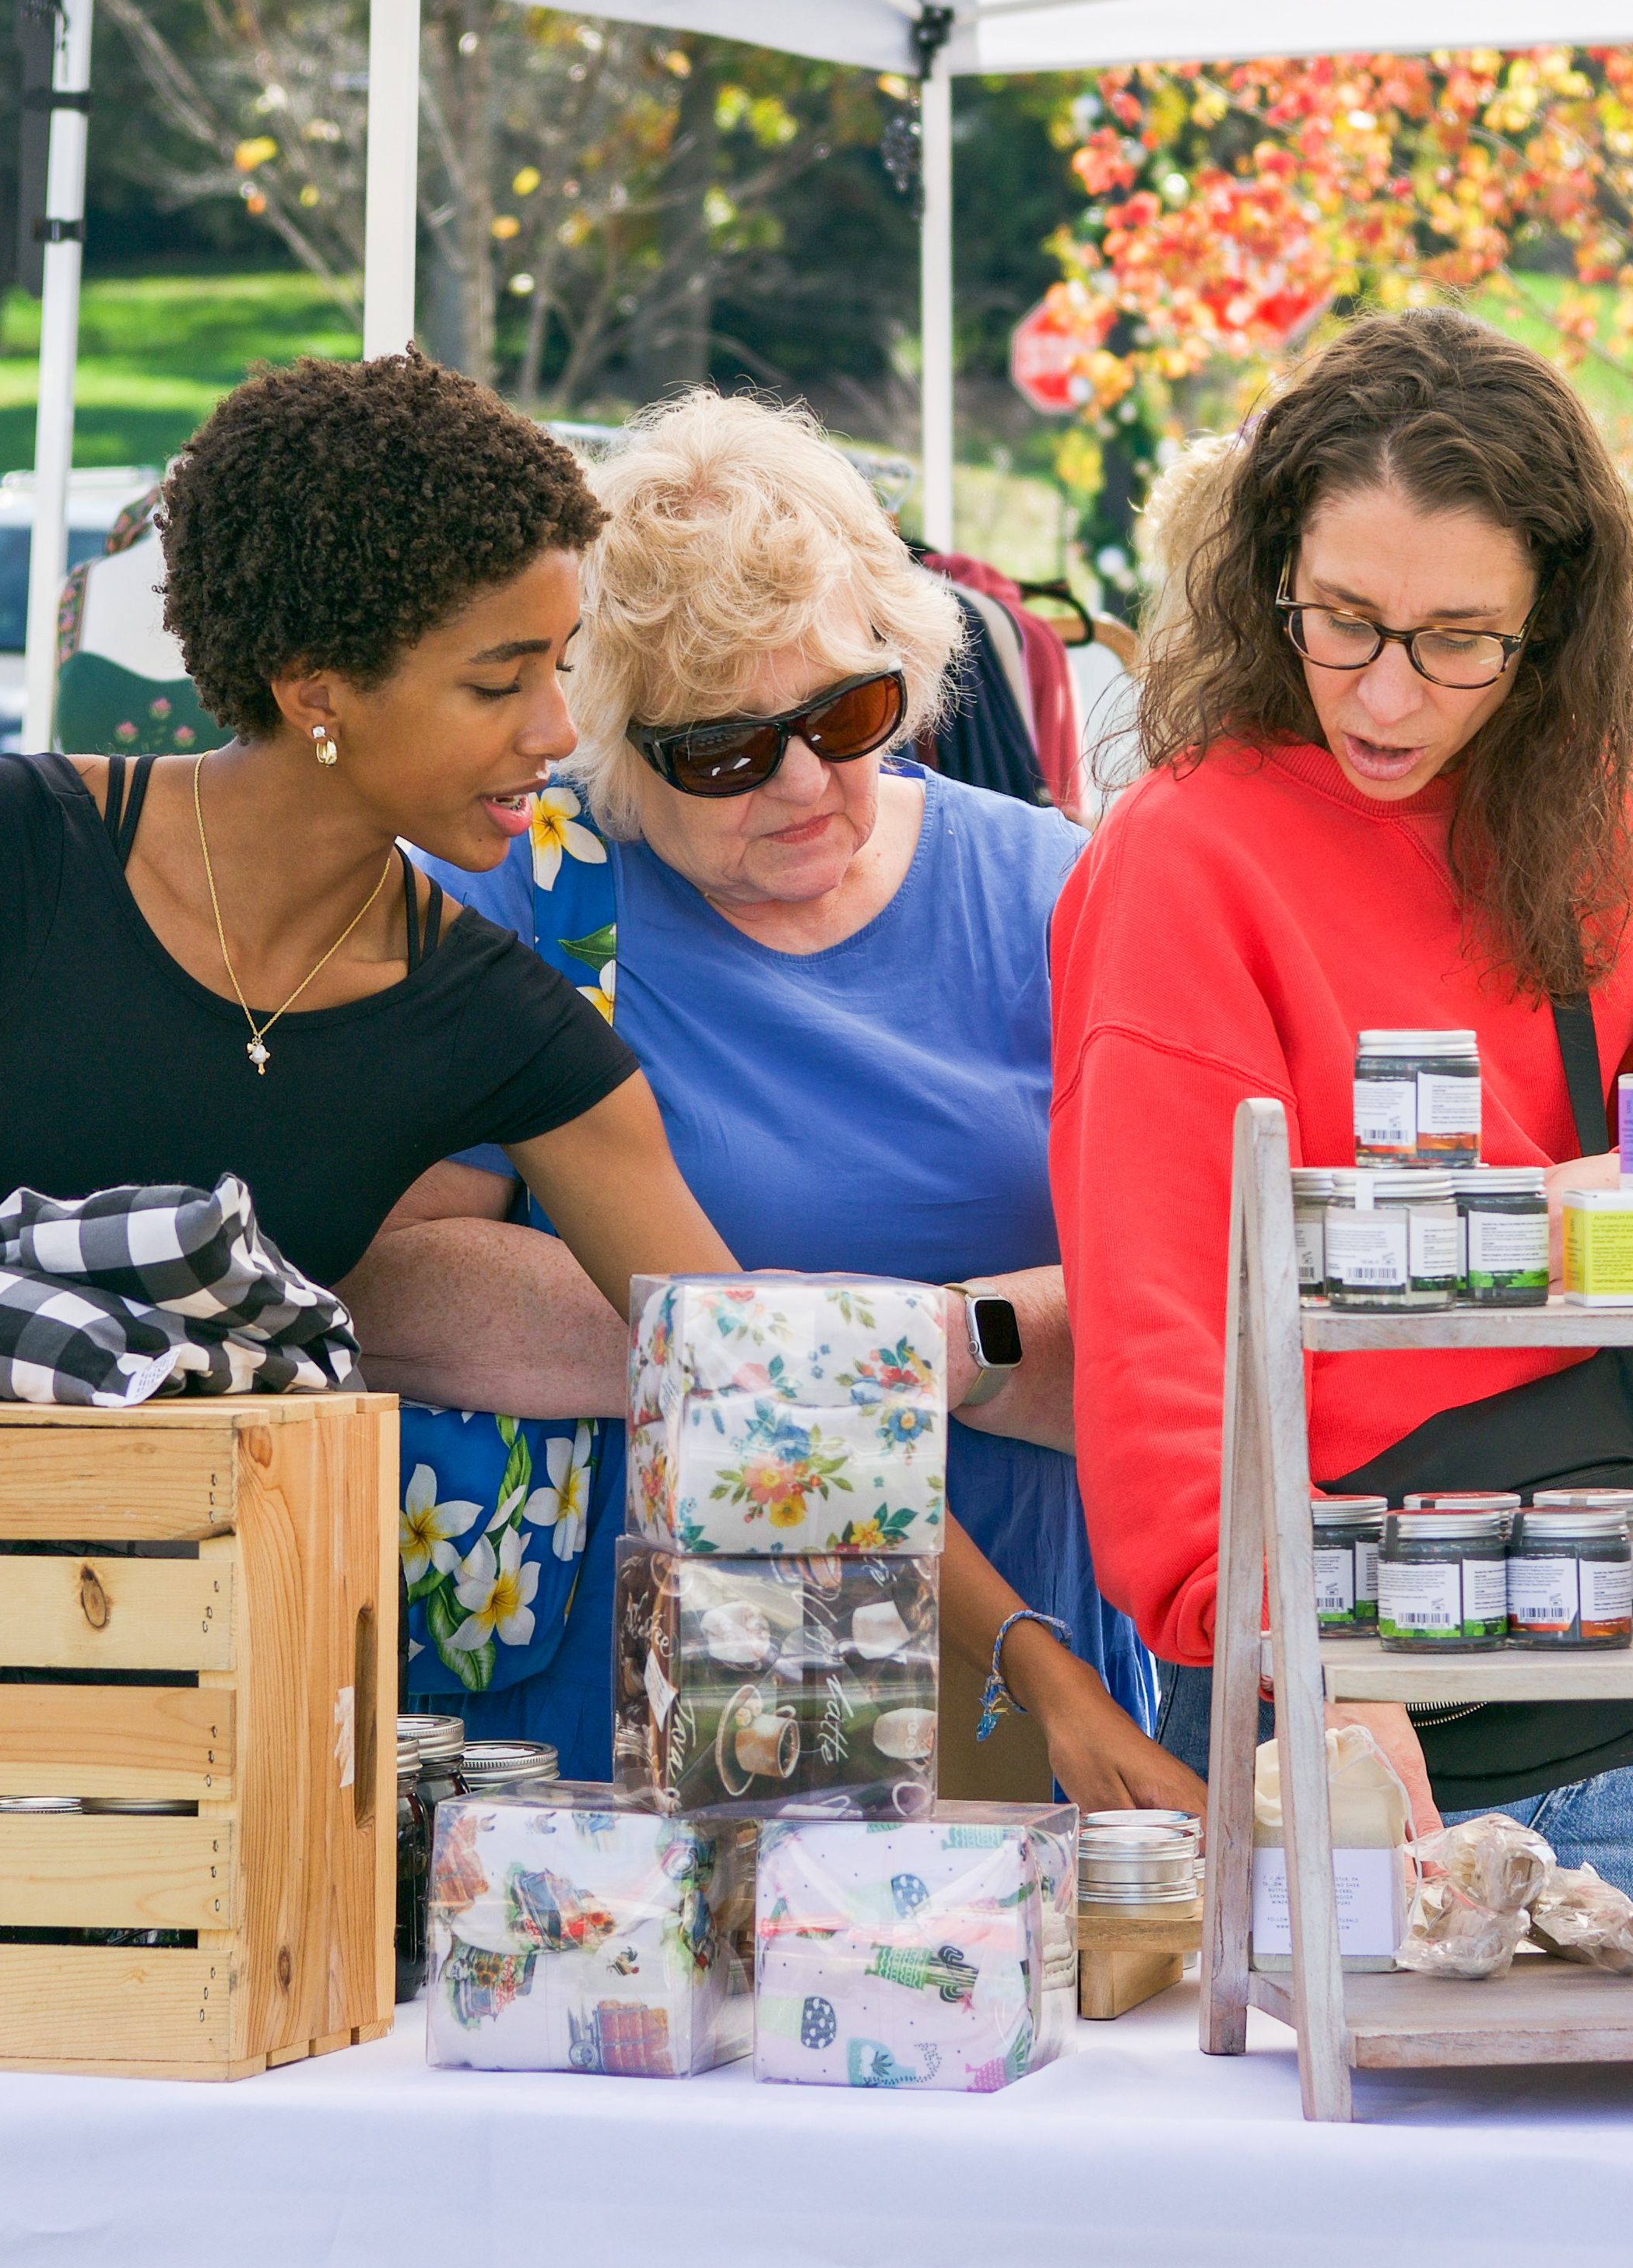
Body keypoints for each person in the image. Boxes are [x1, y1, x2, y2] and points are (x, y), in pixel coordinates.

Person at [0, 356, 1134, 1799]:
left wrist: (1032, 1661)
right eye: (500, 679)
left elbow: (756, 1384)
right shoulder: (10, 848)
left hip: (180, 1711)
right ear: (317, 691)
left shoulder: (505, 1014)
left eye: (558, 665)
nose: (555, 730)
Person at [1049, 308, 1633, 1898]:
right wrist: (1301, 1643)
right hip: (1341, 1700)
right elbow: (1160, 1316)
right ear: (1267, 575)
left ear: (1555, 621)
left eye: (1457, 638)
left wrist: (1627, 1197)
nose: (1385, 692)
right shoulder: (1184, 854)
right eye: (1343, 619)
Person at [406, 395, 1186, 1807]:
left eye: (850, 709)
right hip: (624, 1692)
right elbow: (392, 1283)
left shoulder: (1052, 888)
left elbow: (1180, 1301)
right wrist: (834, 1354)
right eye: (724, 749)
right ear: (607, 738)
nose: (810, 778)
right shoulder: (526, 896)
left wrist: (943, 1337)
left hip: (1015, 1671)